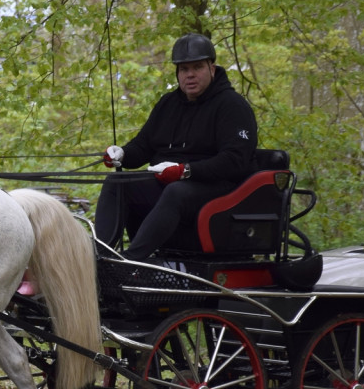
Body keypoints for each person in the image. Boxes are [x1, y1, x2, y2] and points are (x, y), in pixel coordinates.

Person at [94, 33, 258, 261]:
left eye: (197, 67)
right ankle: (101, 257)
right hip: (170, 183)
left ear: (212, 68)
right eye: (183, 69)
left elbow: (235, 161)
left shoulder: (233, 106)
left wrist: (186, 170)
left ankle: (133, 260)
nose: (189, 75)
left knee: (176, 191)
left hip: (218, 188)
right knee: (117, 183)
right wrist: (121, 154)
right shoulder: (168, 104)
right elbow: (143, 146)